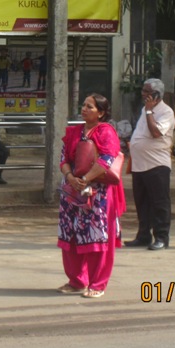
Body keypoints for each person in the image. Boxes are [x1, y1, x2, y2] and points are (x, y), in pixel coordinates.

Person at [57, 93, 125, 298]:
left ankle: (98, 283)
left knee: (96, 237)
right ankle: (77, 281)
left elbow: (107, 160)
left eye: (90, 107)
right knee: (71, 234)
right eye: (84, 105)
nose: (84, 109)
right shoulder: (75, 131)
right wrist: (70, 177)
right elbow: (64, 158)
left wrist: (85, 179)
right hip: (73, 191)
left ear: (101, 113)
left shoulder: (106, 132)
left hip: (98, 195)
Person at [125, 78, 175, 251]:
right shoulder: (144, 109)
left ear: (156, 95)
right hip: (140, 165)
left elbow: (155, 132)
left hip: (156, 165)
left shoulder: (166, 112)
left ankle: (161, 237)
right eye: (143, 91)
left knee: (159, 202)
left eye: (147, 92)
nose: (143, 94)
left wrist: (148, 112)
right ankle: (143, 235)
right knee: (142, 202)